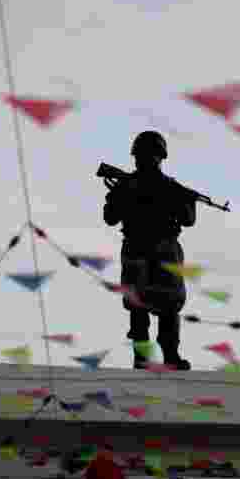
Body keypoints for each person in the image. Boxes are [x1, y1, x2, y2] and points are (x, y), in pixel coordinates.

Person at [102, 130, 196, 370]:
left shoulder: (141, 186)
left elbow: (110, 217)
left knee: (150, 306)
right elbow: (188, 219)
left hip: (148, 250)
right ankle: (159, 357)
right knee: (151, 306)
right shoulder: (166, 188)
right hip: (155, 250)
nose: (143, 160)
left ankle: (158, 357)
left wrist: (118, 194)